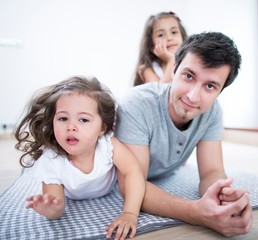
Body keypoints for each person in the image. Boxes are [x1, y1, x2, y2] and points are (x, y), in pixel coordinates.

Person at [115, 31, 254, 237]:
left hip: (162, 175)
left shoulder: (213, 112)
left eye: (209, 86)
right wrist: (196, 212)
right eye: (188, 76)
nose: (193, 96)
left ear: (219, 91)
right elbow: (130, 184)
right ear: (173, 69)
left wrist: (223, 197)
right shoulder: (137, 104)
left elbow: (211, 172)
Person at [14, 76, 145, 240]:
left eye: (83, 119)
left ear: (102, 128)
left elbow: (134, 171)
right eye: (63, 118)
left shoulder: (107, 144)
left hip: (108, 190)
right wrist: (50, 209)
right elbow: (57, 206)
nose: (71, 127)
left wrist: (130, 213)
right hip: (71, 196)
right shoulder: (52, 159)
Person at [133, 11, 187, 86]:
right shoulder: (146, 69)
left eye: (174, 32)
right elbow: (160, 94)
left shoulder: (188, 63)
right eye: (161, 35)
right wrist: (171, 60)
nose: (169, 38)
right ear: (151, 45)